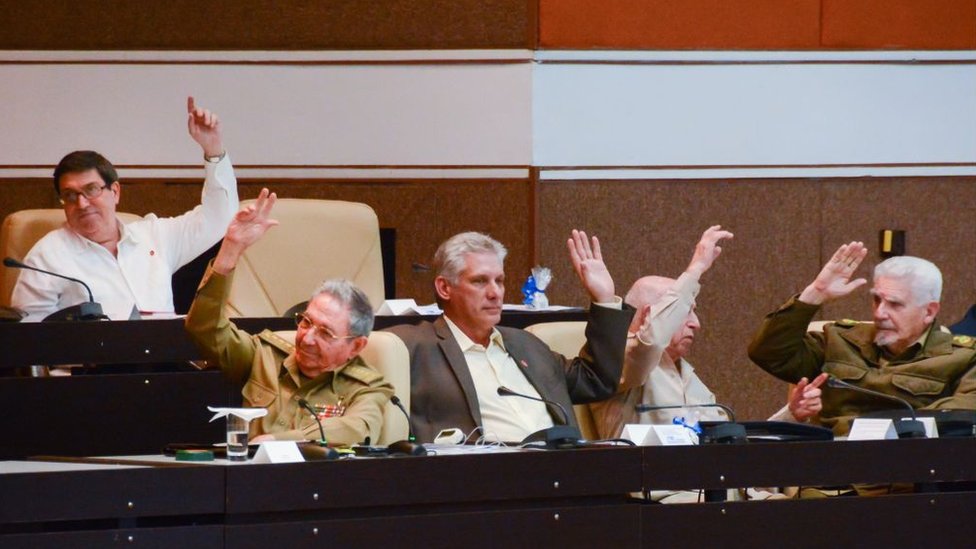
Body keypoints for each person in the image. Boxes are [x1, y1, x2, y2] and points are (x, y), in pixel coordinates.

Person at [185, 189, 394, 446]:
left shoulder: (367, 387)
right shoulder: (264, 357)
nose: (307, 338)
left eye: (325, 333)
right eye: (306, 322)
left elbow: (353, 429)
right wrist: (231, 248)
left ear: (356, 345)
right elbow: (203, 329)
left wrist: (277, 441)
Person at [387, 229, 634, 444]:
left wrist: (604, 300)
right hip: (483, 481)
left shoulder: (525, 344)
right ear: (444, 287)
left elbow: (596, 381)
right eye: (480, 281)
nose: (495, 293)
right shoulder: (412, 346)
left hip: (564, 474)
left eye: (500, 281)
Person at [11, 96, 239, 320]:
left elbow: (218, 219)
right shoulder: (47, 257)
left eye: (91, 190)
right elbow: (28, 340)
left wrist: (213, 149)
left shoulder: (155, 236)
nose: (82, 204)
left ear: (116, 192)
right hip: (90, 357)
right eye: (70, 195)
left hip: (166, 355)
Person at [590, 226, 826, 441]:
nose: (697, 324)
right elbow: (649, 343)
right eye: (685, 312)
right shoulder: (618, 364)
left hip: (716, 484)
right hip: (665, 487)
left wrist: (791, 414)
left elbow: (730, 449)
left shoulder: (691, 379)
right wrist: (696, 269)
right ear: (649, 315)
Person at [748, 242, 976, 436]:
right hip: (834, 479)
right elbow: (768, 353)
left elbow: (961, 413)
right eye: (877, 300)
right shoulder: (838, 340)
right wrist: (814, 294)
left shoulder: (963, 358)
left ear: (929, 311)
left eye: (895, 304)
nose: (879, 313)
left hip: (907, 477)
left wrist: (876, 431)